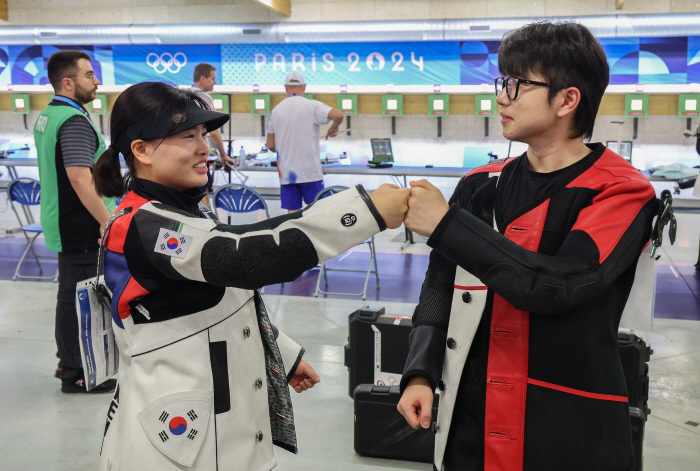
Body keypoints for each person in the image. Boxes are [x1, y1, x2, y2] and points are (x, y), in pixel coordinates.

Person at [91, 81, 410, 470]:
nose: (203, 148)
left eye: (202, 135)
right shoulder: (143, 224)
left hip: (221, 428)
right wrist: (364, 213)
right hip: (180, 443)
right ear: (140, 149)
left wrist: (282, 353)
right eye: (185, 136)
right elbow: (243, 258)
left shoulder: (186, 213)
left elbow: (225, 297)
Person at [397, 22, 658, 471]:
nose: (501, 96)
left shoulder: (620, 191)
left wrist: (445, 224)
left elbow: (558, 285)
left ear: (567, 99)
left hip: (567, 423)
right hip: (470, 416)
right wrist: (420, 373)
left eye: (517, 84)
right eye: (502, 82)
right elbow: (439, 286)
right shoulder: (479, 184)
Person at [34, 50, 116, 394]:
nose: (95, 81)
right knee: (77, 298)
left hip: (62, 220)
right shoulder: (73, 121)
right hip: (81, 224)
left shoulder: (48, 115)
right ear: (67, 82)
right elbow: (80, 178)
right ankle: (76, 372)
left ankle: (68, 361)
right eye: (88, 75)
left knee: (70, 295)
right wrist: (108, 221)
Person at [266, 71, 345, 213]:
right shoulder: (312, 106)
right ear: (304, 87)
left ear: (286, 87)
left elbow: (270, 145)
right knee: (316, 212)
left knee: (293, 215)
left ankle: (295, 236)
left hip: (287, 173)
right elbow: (338, 115)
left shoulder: (275, 111)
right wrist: (334, 127)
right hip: (310, 172)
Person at [190, 63, 236, 207]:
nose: (215, 82)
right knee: (203, 196)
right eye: (213, 78)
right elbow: (214, 132)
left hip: (185, 159)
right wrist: (223, 155)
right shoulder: (203, 97)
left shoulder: (184, 95)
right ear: (203, 79)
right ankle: (207, 229)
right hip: (197, 157)